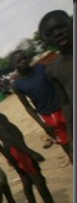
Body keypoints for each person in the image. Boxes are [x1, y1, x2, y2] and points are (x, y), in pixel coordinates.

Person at [0, 86, 71, 203]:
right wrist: (30, 151)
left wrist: (7, 155)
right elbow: (9, 137)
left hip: (11, 151)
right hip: (18, 150)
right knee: (38, 179)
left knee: (26, 181)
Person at [10, 49, 72, 164]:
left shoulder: (42, 69)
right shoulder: (17, 85)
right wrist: (43, 125)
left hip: (63, 108)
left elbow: (59, 87)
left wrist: (68, 106)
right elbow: (28, 107)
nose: (23, 61)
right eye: (19, 61)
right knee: (66, 145)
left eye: (24, 58)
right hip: (48, 117)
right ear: (14, 65)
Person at [39, 10, 73, 146]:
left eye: (61, 27)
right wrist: (71, 137)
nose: (57, 33)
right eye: (50, 33)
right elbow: (66, 104)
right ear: (46, 40)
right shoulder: (53, 70)